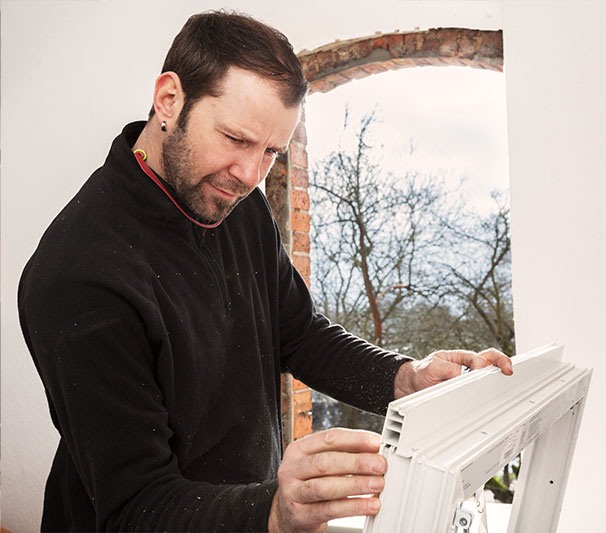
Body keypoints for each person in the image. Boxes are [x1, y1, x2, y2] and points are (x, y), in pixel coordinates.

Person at [18, 10, 512, 533]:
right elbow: (134, 509)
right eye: (235, 138)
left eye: (271, 151)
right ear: (169, 100)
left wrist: (403, 377)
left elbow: (298, 334)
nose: (251, 175)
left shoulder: (232, 199)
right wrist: (273, 510)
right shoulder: (78, 277)